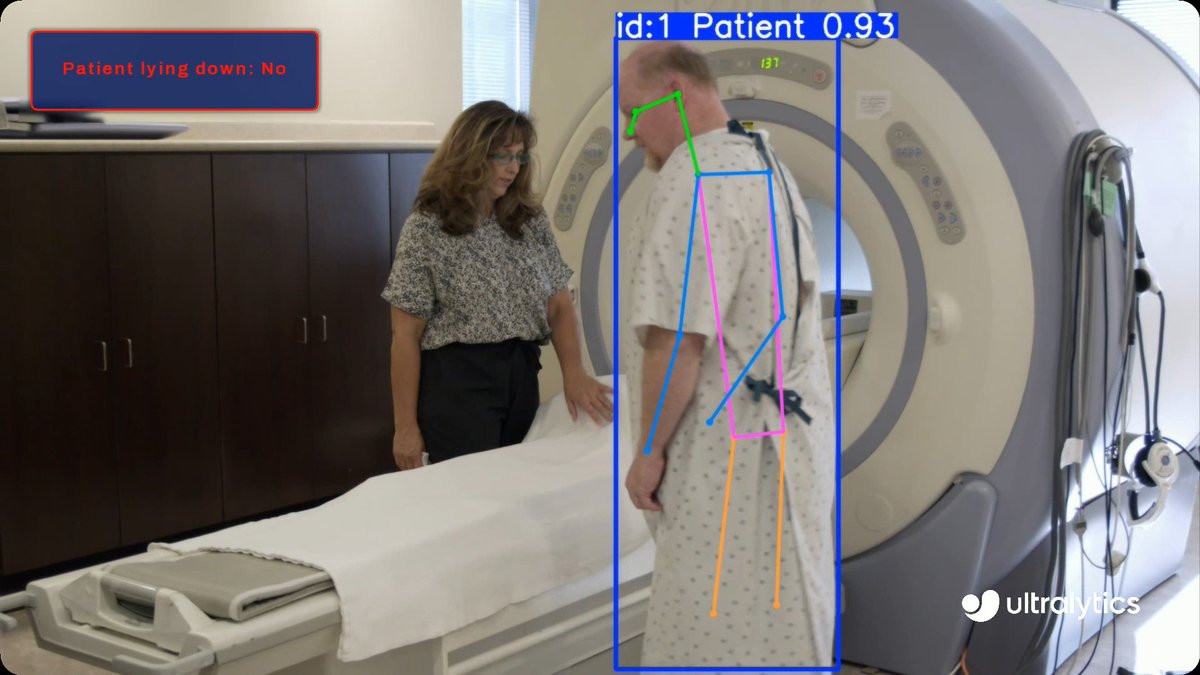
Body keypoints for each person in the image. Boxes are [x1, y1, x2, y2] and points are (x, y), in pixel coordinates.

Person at [619, 44, 836, 667]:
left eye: (634, 112)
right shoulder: (764, 161)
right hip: (787, 439)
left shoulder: (693, 179)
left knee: (709, 619)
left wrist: (648, 453)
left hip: (724, 452)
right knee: (780, 611)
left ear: (676, 91)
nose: (630, 132)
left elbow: (676, 342)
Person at [383, 100, 612, 470]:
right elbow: (405, 335)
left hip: (521, 374)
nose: (513, 168)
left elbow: (558, 304)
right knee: (472, 491)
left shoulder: (528, 220)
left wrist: (574, 373)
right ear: (470, 155)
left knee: (516, 485)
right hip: (459, 383)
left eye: (519, 156)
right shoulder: (428, 227)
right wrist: (405, 427)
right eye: (503, 156)